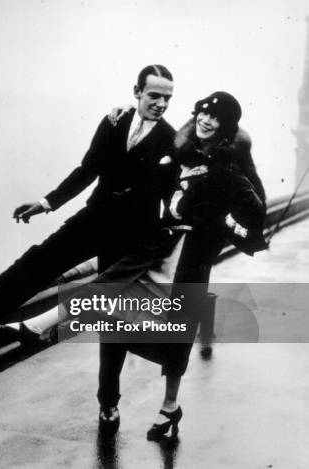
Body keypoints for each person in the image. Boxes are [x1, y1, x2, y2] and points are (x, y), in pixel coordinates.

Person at [0, 64, 177, 342]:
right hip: (97, 215)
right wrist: (47, 202)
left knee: (111, 315)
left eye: (167, 98)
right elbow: (88, 169)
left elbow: (173, 192)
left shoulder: (172, 140)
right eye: (154, 96)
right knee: (38, 260)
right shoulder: (114, 122)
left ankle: (106, 384)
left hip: (132, 232)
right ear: (137, 92)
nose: (161, 104)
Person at [93, 91, 267, 439]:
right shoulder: (177, 151)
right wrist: (128, 113)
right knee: (113, 318)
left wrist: (224, 226)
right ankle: (108, 401)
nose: (206, 120)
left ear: (226, 129)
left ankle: (170, 406)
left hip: (190, 264)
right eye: (203, 112)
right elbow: (136, 160)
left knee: (176, 336)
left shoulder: (228, 168)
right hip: (155, 254)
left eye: (216, 118)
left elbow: (255, 215)